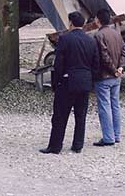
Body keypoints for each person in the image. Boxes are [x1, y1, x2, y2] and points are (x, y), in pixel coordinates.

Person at [40, 11, 99, 154]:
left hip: (67, 81)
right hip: (84, 82)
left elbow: (58, 63)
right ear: (84, 24)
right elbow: (96, 63)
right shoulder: (91, 40)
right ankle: (78, 145)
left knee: (60, 116)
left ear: (70, 23)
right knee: (81, 115)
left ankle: (55, 146)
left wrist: (56, 82)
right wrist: (91, 80)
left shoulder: (64, 39)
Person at [93, 8, 125, 146]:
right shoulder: (116, 34)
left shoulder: (98, 35)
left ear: (98, 20)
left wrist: (113, 70)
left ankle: (108, 138)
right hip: (116, 76)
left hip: (104, 76)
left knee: (104, 107)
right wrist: (120, 68)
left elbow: (104, 56)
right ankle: (116, 135)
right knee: (115, 106)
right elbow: (124, 52)